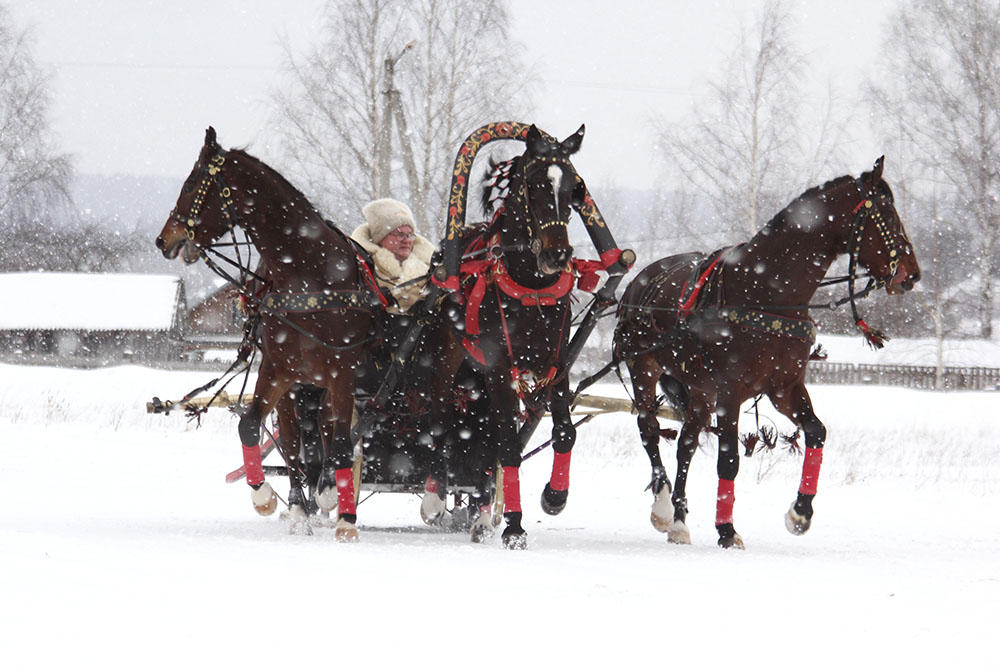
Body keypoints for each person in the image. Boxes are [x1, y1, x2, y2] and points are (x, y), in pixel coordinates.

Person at [351, 198, 434, 314]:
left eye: (410, 235)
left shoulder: (431, 270)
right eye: (400, 235)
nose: (407, 240)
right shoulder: (362, 269)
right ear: (380, 237)